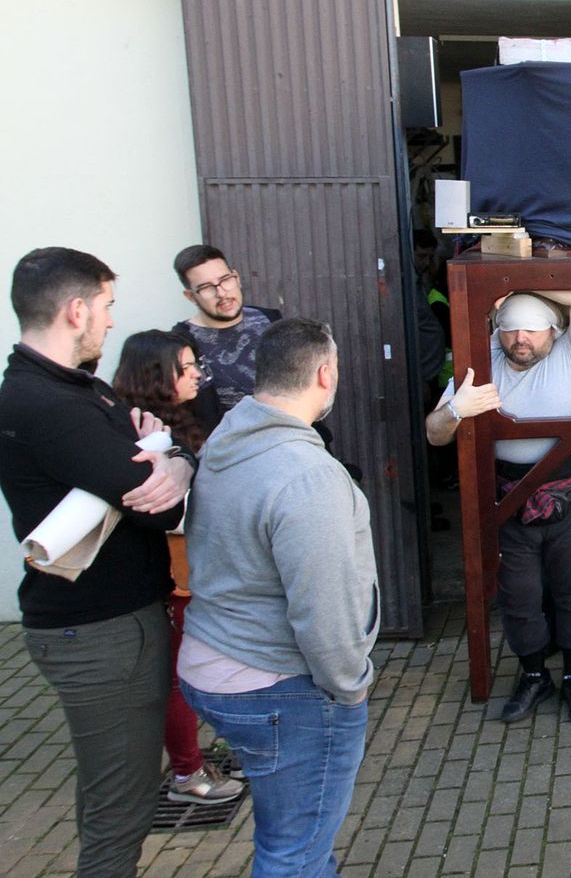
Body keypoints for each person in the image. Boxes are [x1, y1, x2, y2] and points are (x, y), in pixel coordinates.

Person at [0, 247, 195, 877]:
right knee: (122, 806)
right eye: (107, 307)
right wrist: (171, 463)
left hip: (111, 621)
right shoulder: (50, 405)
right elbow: (159, 510)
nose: (112, 322)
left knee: (114, 793)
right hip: (99, 630)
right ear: (76, 310)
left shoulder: (74, 389)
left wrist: (162, 458)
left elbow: (142, 463)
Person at [180, 318, 377, 878]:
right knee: (294, 854)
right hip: (278, 688)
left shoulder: (230, 434)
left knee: (298, 839)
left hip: (210, 663)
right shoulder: (308, 476)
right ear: (325, 373)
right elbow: (323, 606)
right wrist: (350, 686)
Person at [425, 290, 571, 724]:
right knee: (519, 595)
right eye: (509, 329)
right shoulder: (479, 361)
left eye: (530, 329)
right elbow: (434, 433)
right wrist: (455, 409)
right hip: (507, 495)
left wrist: (514, 281)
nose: (519, 338)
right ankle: (534, 675)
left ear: (553, 330)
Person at [111, 331, 245, 806]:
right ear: (155, 375)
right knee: (177, 677)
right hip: (177, 574)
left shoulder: (185, 416)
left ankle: (201, 755)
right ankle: (188, 773)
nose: (197, 375)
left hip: (196, 569)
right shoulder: (136, 432)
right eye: (186, 368)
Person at [171, 244, 281, 427]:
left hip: (289, 441)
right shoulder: (181, 342)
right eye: (206, 287)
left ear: (236, 278)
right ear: (190, 296)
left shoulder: (269, 319)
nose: (221, 293)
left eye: (225, 280)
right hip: (231, 450)